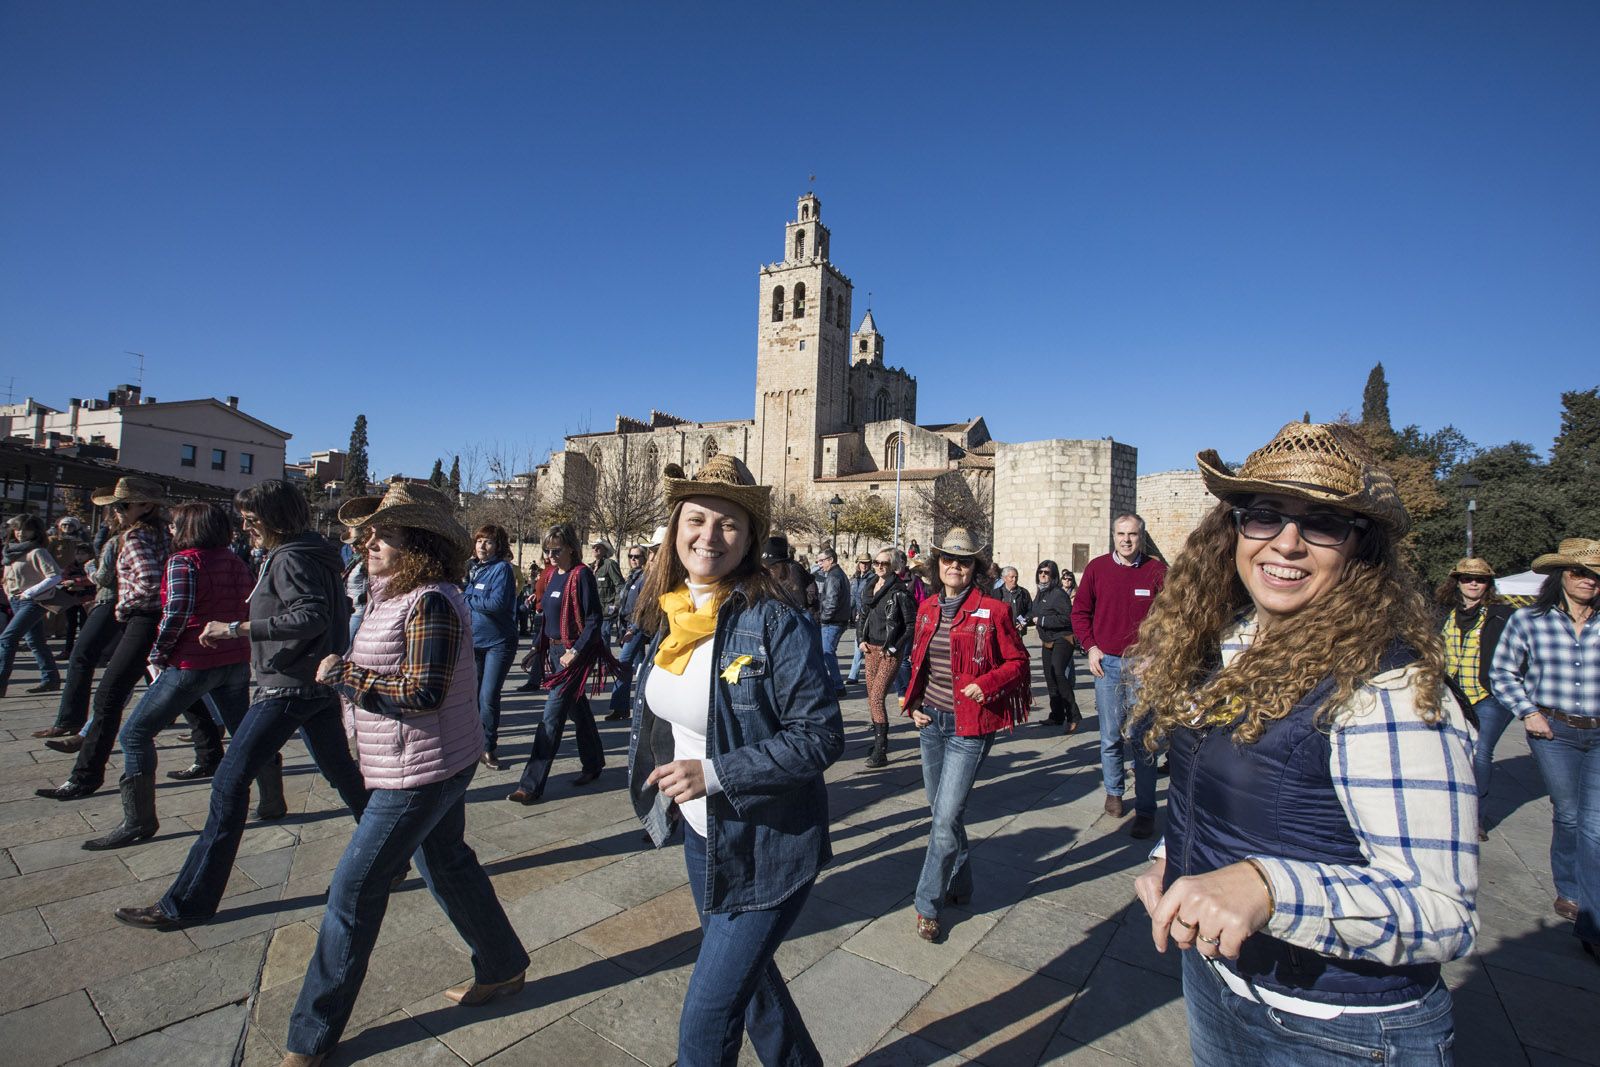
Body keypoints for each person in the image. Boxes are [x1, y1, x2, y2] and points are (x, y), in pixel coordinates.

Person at [1128, 421, 1477, 1066]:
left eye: (1323, 524)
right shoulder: (1226, 646)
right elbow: (1219, 785)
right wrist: (1173, 854)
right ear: (1233, 529)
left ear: (1358, 548)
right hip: (1219, 985)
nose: (1286, 543)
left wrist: (1268, 889)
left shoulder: (1389, 687)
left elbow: (1444, 911)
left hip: (1341, 1030)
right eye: (1263, 516)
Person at [258, 483, 530, 1067]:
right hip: (427, 758)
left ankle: (309, 1038)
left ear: (419, 543)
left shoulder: (429, 599)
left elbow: (423, 692)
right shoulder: (393, 596)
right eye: (366, 533)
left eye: (384, 533)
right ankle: (504, 965)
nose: (367, 541)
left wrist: (343, 675)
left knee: (353, 891)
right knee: (447, 864)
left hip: (420, 769)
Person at [628, 454, 843, 1066]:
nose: (709, 536)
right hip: (703, 837)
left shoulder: (774, 620)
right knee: (754, 995)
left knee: (704, 1022)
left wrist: (716, 773)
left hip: (767, 843)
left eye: (729, 524)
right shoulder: (668, 612)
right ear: (675, 528)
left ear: (749, 540)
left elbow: (822, 735)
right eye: (696, 519)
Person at [113, 479, 370, 931]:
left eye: (253, 519)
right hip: (308, 684)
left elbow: (310, 615)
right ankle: (387, 859)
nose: (246, 527)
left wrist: (237, 629)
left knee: (228, 787)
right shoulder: (309, 553)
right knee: (344, 776)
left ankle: (188, 901)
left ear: (274, 518)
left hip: (287, 687)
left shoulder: (291, 557)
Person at [85, 502, 254, 849]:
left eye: (176, 525)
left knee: (134, 734)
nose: (171, 531)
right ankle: (271, 799)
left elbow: (176, 611)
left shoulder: (184, 561)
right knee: (246, 734)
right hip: (234, 658)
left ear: (191, 527)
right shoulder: (235, 561)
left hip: (192, 660)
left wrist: (159, 652)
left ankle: (139, 820)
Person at [902, 527, 1030, 941]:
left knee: (944, 820)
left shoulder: (994, 611)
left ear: (975, 568)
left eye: (964, 561)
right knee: (944, 814)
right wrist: (915, 705)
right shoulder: (927, 610)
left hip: (969, 727)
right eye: (947, 559)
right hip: (931, 724)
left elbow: (1018, 663)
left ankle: (927, 904)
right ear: (937, 566)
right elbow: (918, 663)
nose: (955, 566)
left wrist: (988, 684)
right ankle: (962, 884)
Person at [1491, 537, 1600, 951]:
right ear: (1561, 577)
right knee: (1570, 814)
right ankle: (1569, 886)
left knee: (1594, 824)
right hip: (1553, 731)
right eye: (1579, 572)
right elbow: (1502, 672)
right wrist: (1528, 713)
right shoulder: (1529, 620)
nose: (1589, 581)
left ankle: (1590, 919)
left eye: (1596, 575)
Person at [38, 478, 172, 798]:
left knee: (109, 695)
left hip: (140, 617)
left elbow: (151, 582)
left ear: (145, 507)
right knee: (173, 687)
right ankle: (210, 753)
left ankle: (85, 776)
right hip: (154, 618)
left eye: (122, 505)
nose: (117, 512)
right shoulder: (161, 536)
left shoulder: (137, 536)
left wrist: (126, 604)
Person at [1072, 512, 1168, 838]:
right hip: (1108, 665)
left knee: (1143, 741)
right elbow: (1080, 612)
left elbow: (1172, 618)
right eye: (1121, 534)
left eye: (1133, 534)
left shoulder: (1157, 572)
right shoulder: (1097, 569)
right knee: (1110, 736)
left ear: (1142, 537)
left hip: (1143, 667)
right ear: (1113, 535)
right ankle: (1114, 792)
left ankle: (1145, 811)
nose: (1126, 540)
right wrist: (1090, 647)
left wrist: (1155, 653)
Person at [508, 523, 612, 803]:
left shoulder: (582, 575)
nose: (550, 555)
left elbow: (593, 620)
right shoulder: (552, 575)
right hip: (553, 652)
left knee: (551, 718)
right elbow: (546, 619)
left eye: (556, 550)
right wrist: (535, 648)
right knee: (578, 711)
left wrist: (575, 651)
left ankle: (530, 785)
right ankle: (594, 763)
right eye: (547, 550)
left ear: (570, 548)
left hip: (572, 657)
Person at [1435, 557, 1514, 840]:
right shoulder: (1443, 613)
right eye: (1466, 578)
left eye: (1479, 579)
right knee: (1452, 752)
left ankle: (1474, 819)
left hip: (1489, 694)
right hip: (1452, 694)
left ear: (1488, 584)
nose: (1472, 583)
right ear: (1456, 581)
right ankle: (1450, 810)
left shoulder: (1502, 615)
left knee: (1480, 753)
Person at [33, 511, 123, 740]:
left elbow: (104, 577)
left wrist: (90, 570)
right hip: (128, 603)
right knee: (151, 668)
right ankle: (208, 731)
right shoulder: (148, 535)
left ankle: (71, 722)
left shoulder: (121, 539)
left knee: (82, 657)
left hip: (112, 600)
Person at [465, 523, 519, 769]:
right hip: (474, 642)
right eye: (479, 541)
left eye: (487, 542)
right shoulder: (475, 569)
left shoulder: (502, 570)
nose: (482, 546)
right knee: (472, 696)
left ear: (498, 546)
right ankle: (472, 742)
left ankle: (488, 747)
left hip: (498, 642)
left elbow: (496, 603)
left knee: (488, 697)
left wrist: (467, 597)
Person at [857, 547, 915, 768]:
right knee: (871, 695)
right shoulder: (870, 586)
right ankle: (878, 741)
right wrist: (860, 639)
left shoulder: (900, 591)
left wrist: (894, 647)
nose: (879, 566)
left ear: (893, 567)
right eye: (877, 563)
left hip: (888, 651)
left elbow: (910, 625)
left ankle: (881, 750)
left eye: (884, 563)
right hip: (870, 648)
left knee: (877, 697)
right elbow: (863, 615)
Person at [0, 514, 63, 698]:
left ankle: (1, 683)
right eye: (18, 529)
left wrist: (30, 592)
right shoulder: (11, 551)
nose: (21, 533)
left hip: (33, 601)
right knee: (35, 641)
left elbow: (55, 576)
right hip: (16, 600)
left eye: (26, 529)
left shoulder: (37, 551)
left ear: (36, 531)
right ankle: (51, 679)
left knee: (7, 639)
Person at [1030, 560, 1080, 731]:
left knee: (1058, 673)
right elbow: (1034, 613)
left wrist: (1042, 620)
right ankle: (1057, 715)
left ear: (1054, 575)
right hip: (1047, 640)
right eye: (1040, 572)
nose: (1043, 575)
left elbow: (1068, 618)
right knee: (1050, 678)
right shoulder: (1041, 593)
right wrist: (1024, 621)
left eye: (1047, 573)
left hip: (1062, 638)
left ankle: (1073, 715)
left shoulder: (1058, 594)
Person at [606, 543, 649, 721]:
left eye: (637, 556)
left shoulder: (645, 578)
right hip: (627, 626)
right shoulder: (633, 577)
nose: (633, 559)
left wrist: (633, 628)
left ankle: (620, 707)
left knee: (623, 664)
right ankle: (641, 708)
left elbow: (643, 606)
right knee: (640, 669)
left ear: (644, 558)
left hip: (636, 627)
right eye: (630, 556)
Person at [814, 546, 852, 693]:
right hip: (838, 620)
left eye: (821, 561)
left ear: (830, 560)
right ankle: (834, 683)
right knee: (828, 652)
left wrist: (824, 619)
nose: (819, 564)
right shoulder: (838, 574)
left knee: (827, 653)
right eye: (818, 561)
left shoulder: (834, 576)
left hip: (833, 621)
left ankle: (838, 685)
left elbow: (831, 600)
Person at [761, 535, 816, 616]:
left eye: (774, 567)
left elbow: (800, 604)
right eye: (763, 566)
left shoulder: (793, 570)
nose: (767, 571)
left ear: (782, 567)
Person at [591, 539, 626, 645]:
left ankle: (606, 662)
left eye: (599, 547)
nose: (595, 549)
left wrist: (615, 606)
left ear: (605, 550)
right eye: (593, 547)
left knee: (603, 639)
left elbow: (620, 585)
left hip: (606, 611)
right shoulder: (591, 567)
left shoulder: (610, 564)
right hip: (594, 610)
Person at [845, 554, 873, 683]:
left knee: (860, 644)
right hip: (857, 617)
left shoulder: (873, 578)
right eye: (862, 562)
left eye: (867, 563)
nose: (864, 565)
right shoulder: (855, 578)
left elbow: (870, 600)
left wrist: (862, 612)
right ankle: (855, 675)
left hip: (867, 616)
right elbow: (852, 598)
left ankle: (854, 675)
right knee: (859, 644)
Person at [996, 566, 1032, 634]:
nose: (1014, 579)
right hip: (1002, 632)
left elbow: (1030, 610)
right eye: (1012, 577)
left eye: (1016, 577)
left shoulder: (1023, 593)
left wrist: (1024, 621)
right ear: (1004, 578)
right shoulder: (996, 593)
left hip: (1018, 631)